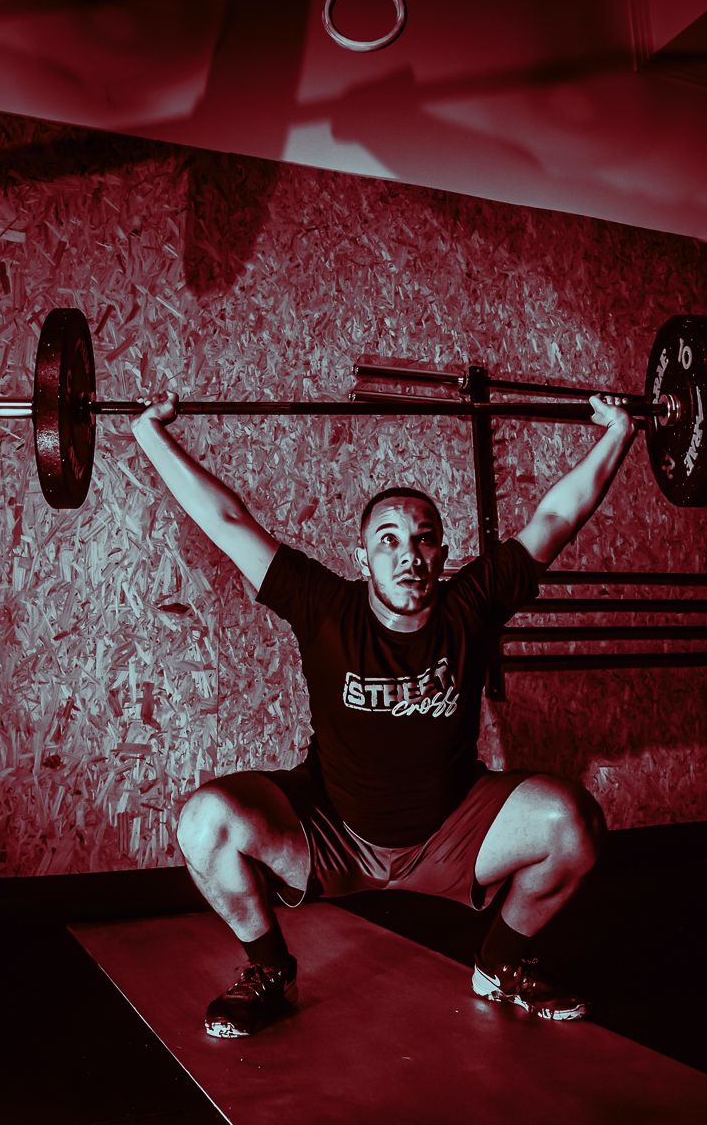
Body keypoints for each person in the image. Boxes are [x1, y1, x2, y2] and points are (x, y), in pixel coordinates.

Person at [132, 392, 635, 1038]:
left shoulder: (470, 604)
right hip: (331, 831)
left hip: (449, 831)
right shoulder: (324, 606)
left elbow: (558, 515)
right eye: (389, 541)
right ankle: (270, 970)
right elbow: (227, 519)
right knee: (205, 822)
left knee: (572, 821)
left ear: (441, 552)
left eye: (423, 540)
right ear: (363, 558)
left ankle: (499, 963)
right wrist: (149, 433)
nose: (408, 555)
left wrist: (618, 431)